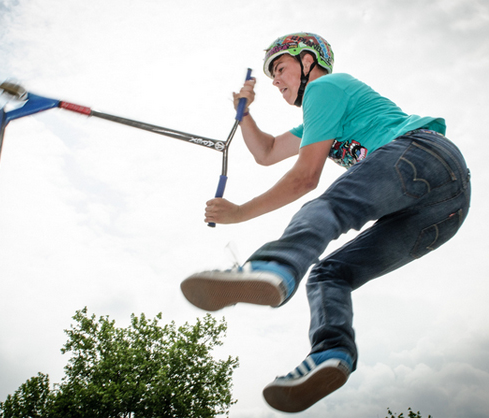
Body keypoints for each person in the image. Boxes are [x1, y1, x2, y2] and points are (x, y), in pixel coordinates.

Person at [180, 32, 471, 413]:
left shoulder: (327, 87)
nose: (276, 81)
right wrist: (244, 112)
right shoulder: (317, 122)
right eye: (271, 75)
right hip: (445, 209)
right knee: (329, 275)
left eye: (280, 69)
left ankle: (275, 266)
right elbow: (266, 152)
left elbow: (305, 178)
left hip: (420, 154)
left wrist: (238, 213)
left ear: (307, 62)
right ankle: (332, 352)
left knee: (324, 209)